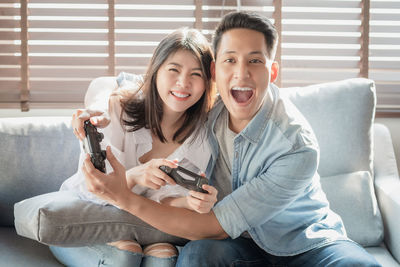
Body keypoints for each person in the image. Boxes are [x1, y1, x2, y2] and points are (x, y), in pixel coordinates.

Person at [61, 12, 381, 267]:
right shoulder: (212, 107)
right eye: (230, 60)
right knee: (197, 257)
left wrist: (126, 196)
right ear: (216, 71)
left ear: (272, 72)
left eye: (255, 61)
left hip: (305, 243)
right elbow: (138, 82)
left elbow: (214, 226)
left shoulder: (296, 146)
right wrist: (96, 109)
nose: (241, 73)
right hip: (240, 245)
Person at [50, 28, 218, 267]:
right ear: (155, 71)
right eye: (174, 70)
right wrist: (135, 176)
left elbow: (168, 198)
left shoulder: (203, 137)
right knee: (126, 252)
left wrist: (191, 203)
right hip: (91, 216)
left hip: (145, 226)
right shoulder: (117, 110)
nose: (184, 82)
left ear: (207, 83)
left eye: (196, 74)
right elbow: (93, 188)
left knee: (164, 256)